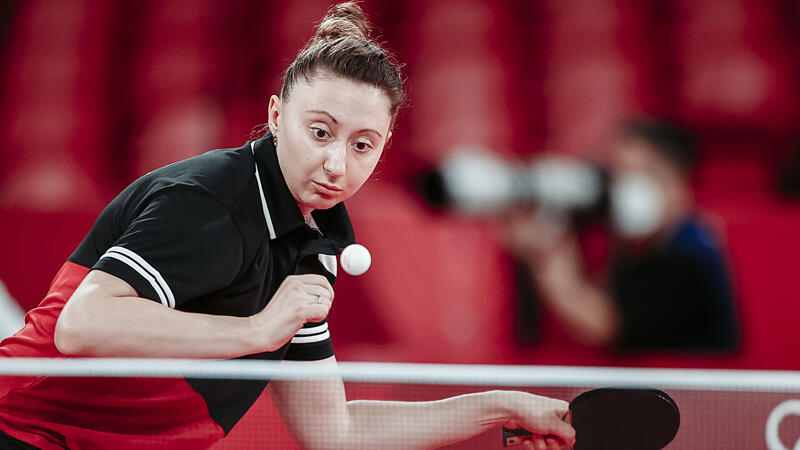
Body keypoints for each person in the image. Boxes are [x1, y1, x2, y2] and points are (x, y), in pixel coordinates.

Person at [0, 3, 574, 450]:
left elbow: (336, 433)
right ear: (276, 117)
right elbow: (82, 324)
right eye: (319, 132)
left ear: (384, 149)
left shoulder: (312, 243)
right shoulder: (210, 202)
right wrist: (258, 331)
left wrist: (502, 405)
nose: (335, 164)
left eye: (361, 145)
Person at [508, 119, 740, 353]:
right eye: (619, 176)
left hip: (684, 387)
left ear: (678, 182)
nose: (625, 190)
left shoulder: (691, 252)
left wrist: (549, 254)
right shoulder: (631, 246)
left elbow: (602, 324)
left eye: (640, 176)